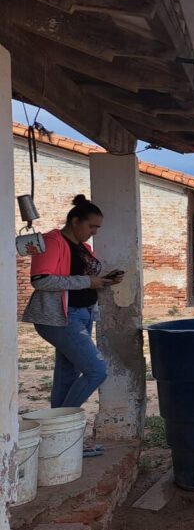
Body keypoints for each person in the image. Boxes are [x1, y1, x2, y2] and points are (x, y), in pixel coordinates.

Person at [23, 195, 124, 457]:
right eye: (91, 227)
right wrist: (86, 282)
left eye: (97, 228)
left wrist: (103, 281)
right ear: (75, 220)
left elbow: (80, 278)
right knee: (96, 370)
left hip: (81, 315)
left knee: (67, 374)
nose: (94, 233)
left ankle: (59, 437)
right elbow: (41, 281)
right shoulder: (52, 241)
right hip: (58, 318)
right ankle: (58, 430)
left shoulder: (80, 246)